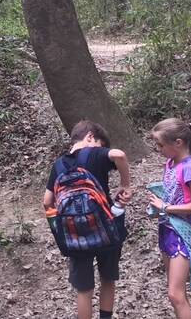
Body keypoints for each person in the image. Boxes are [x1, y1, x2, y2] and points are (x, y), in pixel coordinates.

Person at [43, 119, 132, 319]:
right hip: (106, 229)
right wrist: (125, 185)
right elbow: (119, 155)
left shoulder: (59, 165)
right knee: (107, 279)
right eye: (100, 145)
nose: (101, 150)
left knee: (84, 290)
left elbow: (47, 201)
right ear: (90, 137)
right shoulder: (94, 153)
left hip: (75, 235)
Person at [147, 118, 191, 319]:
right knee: (177, 294)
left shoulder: (189, 167)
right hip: (166, 230)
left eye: (160, 144)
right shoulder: (170, 163)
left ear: (178, 143)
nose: (157, 148)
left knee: (175, 295)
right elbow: (174, 193)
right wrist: (159, 206)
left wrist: (166, 207)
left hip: (183, 234)